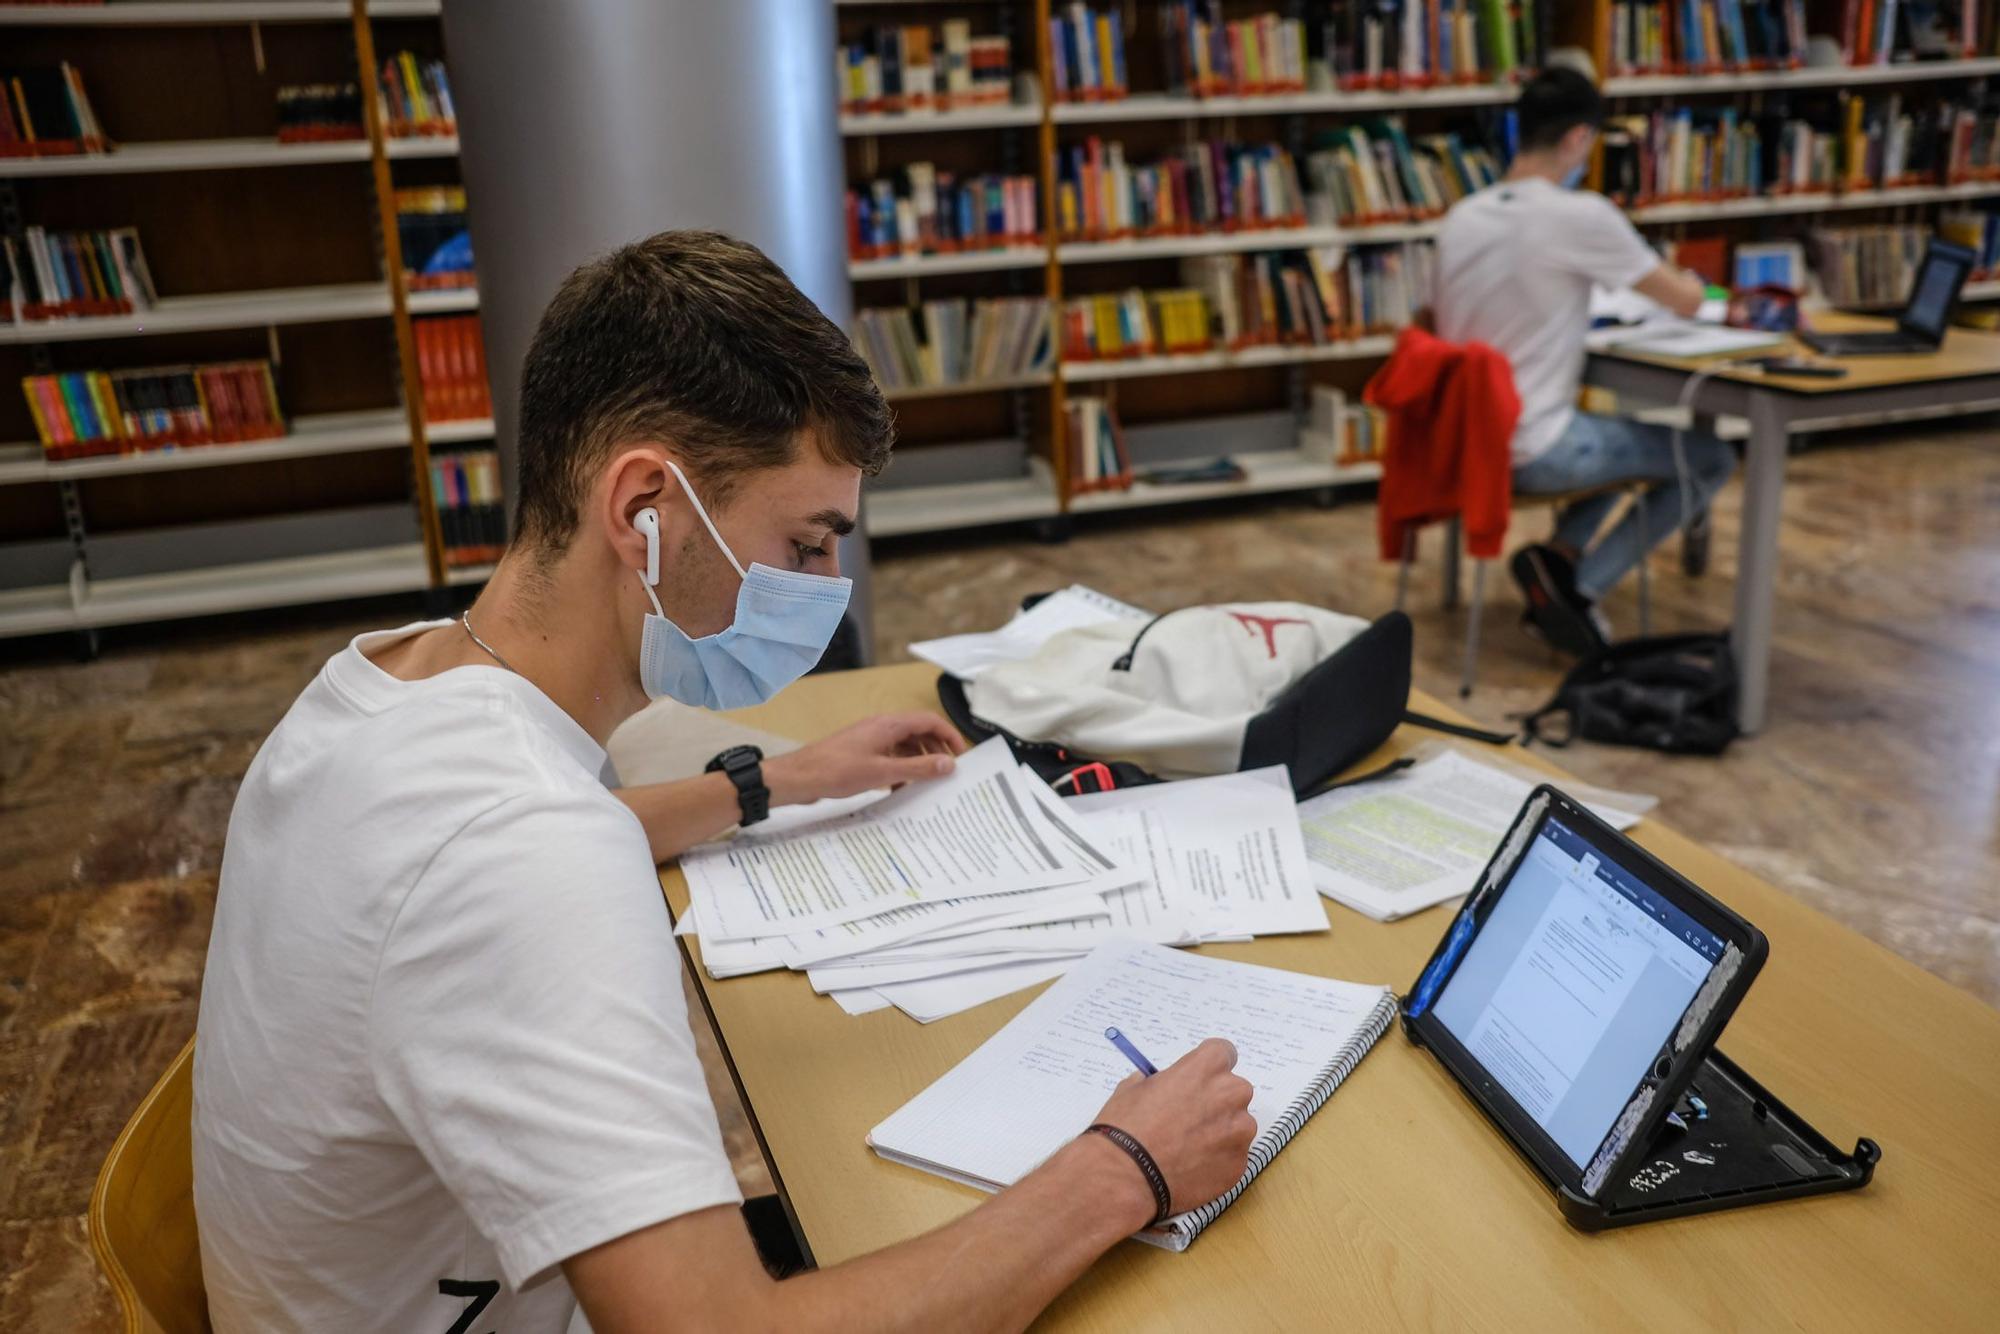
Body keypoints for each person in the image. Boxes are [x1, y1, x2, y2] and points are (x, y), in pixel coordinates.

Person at [191, 231, 1258, 1334]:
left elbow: (493, 852)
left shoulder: (385, 684)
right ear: (642, 507)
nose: (827, 589)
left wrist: (777, 782)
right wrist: (1121, 1162)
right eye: (804, 543)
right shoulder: (528, 853)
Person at [1433, 65, 1737, 656]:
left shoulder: (1462, 217)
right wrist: (1704, 288)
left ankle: (1558, 558)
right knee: (1709, 458)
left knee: (1620, 441)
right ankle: (1578, 591)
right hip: (1535, 448)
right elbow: (1683, 299)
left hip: (1467, 440)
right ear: (1577, 138)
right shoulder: (1580, 215)